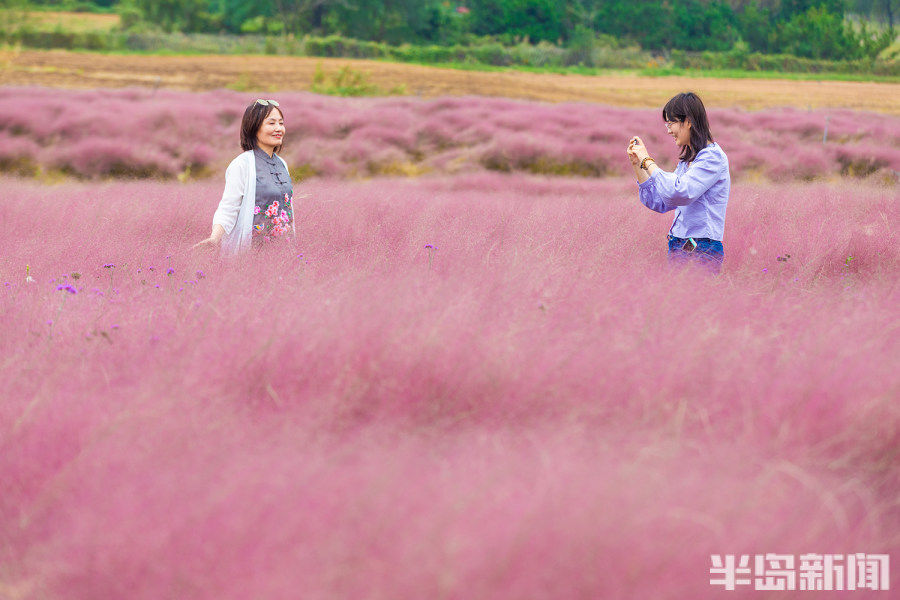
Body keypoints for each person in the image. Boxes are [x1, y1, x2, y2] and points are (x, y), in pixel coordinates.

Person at [627, 92, 730, 273]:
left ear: (688, 121)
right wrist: (638, 165)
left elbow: (679, 192)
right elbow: (659, 202)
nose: (668, 130)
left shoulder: (712, 157)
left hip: (701, 249)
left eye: (671, 123)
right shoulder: (687, 161)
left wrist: (647, 160)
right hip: (679, 246)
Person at [194, 99, 295, 255]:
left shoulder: (282, 164)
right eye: (271, 123)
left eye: (281, 123)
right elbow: (229, 207)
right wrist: (214, 238)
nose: (278, 129)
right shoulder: (242, 165)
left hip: (282, 252)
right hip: (251, 253)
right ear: (254, 128)